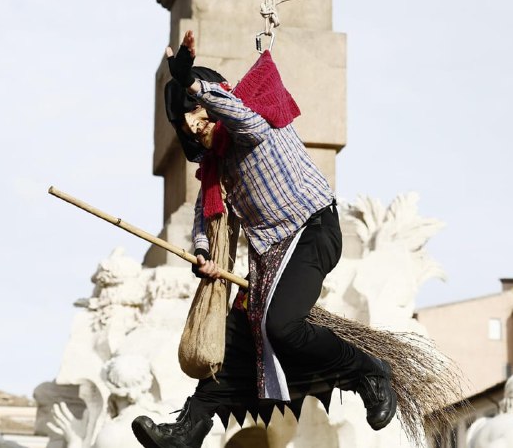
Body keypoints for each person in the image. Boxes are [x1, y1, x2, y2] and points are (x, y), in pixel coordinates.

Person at [131, 31, 396, 448]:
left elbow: (238, 115)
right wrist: (202, 253)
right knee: (239, 337)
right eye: (184, 122)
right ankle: (189, 430)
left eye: (196, 112)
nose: (192, 125)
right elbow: (206, 216)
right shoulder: (215, 169)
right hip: (270, 256)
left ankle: (369, 370)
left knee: (280, 325)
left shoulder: (252, 124)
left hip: (312, 231)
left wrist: (194, 84)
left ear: (214, 103)